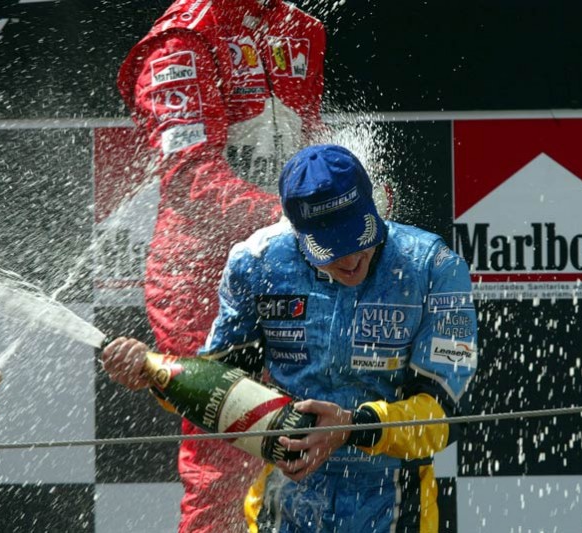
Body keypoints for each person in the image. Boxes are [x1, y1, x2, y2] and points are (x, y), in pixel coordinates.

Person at [103, 145, 478, 532]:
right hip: (285, 503)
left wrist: (350, 426)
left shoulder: (434, 267)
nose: (350, 260)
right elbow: (216, 389)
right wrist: (153, 371)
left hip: (394, 506)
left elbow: (442, 420)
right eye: (329, 248)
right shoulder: (257, 263)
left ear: (375, 206)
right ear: (296, 230)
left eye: (359, 235)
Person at [116, 0, 326, 530]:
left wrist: (346, 197)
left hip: (291, 264)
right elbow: (190, 181)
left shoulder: (300, 26)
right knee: (226, 460)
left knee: (323, 428)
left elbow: (309, 149)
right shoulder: (182, 37)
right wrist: (305, 217)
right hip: (202, 285)